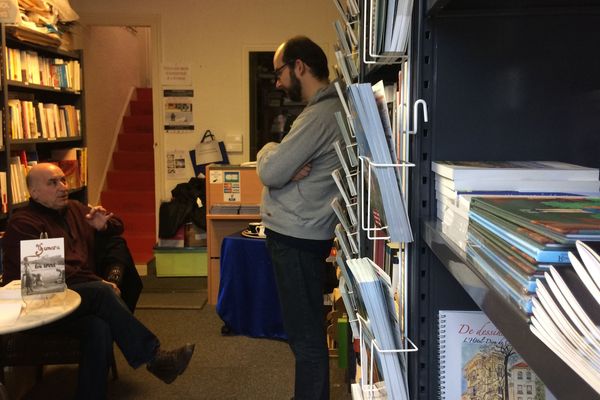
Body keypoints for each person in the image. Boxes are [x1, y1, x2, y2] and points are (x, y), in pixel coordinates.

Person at [1, 163, 195, 400]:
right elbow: (53, 274)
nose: (62, 187)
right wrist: (100, 282)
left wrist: (104, 225)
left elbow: (117, 227)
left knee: (98, 327)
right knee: (101, 292)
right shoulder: (23, 224)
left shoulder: (73, 208)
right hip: (38, 306)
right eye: (52, 183)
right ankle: (154, 357)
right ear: (34, 192)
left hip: (71, 301)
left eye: (63, 180)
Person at [256, 36, 344, 400]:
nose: (277, 82)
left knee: (305, 337)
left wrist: (267, 150)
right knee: (305, 332)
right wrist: (278, 157)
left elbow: (272, 171)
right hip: (303, 233)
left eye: (279, 72)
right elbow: (280, 167)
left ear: (300, 67)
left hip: (296, 237)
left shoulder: (319, 116)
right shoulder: (329, 109)